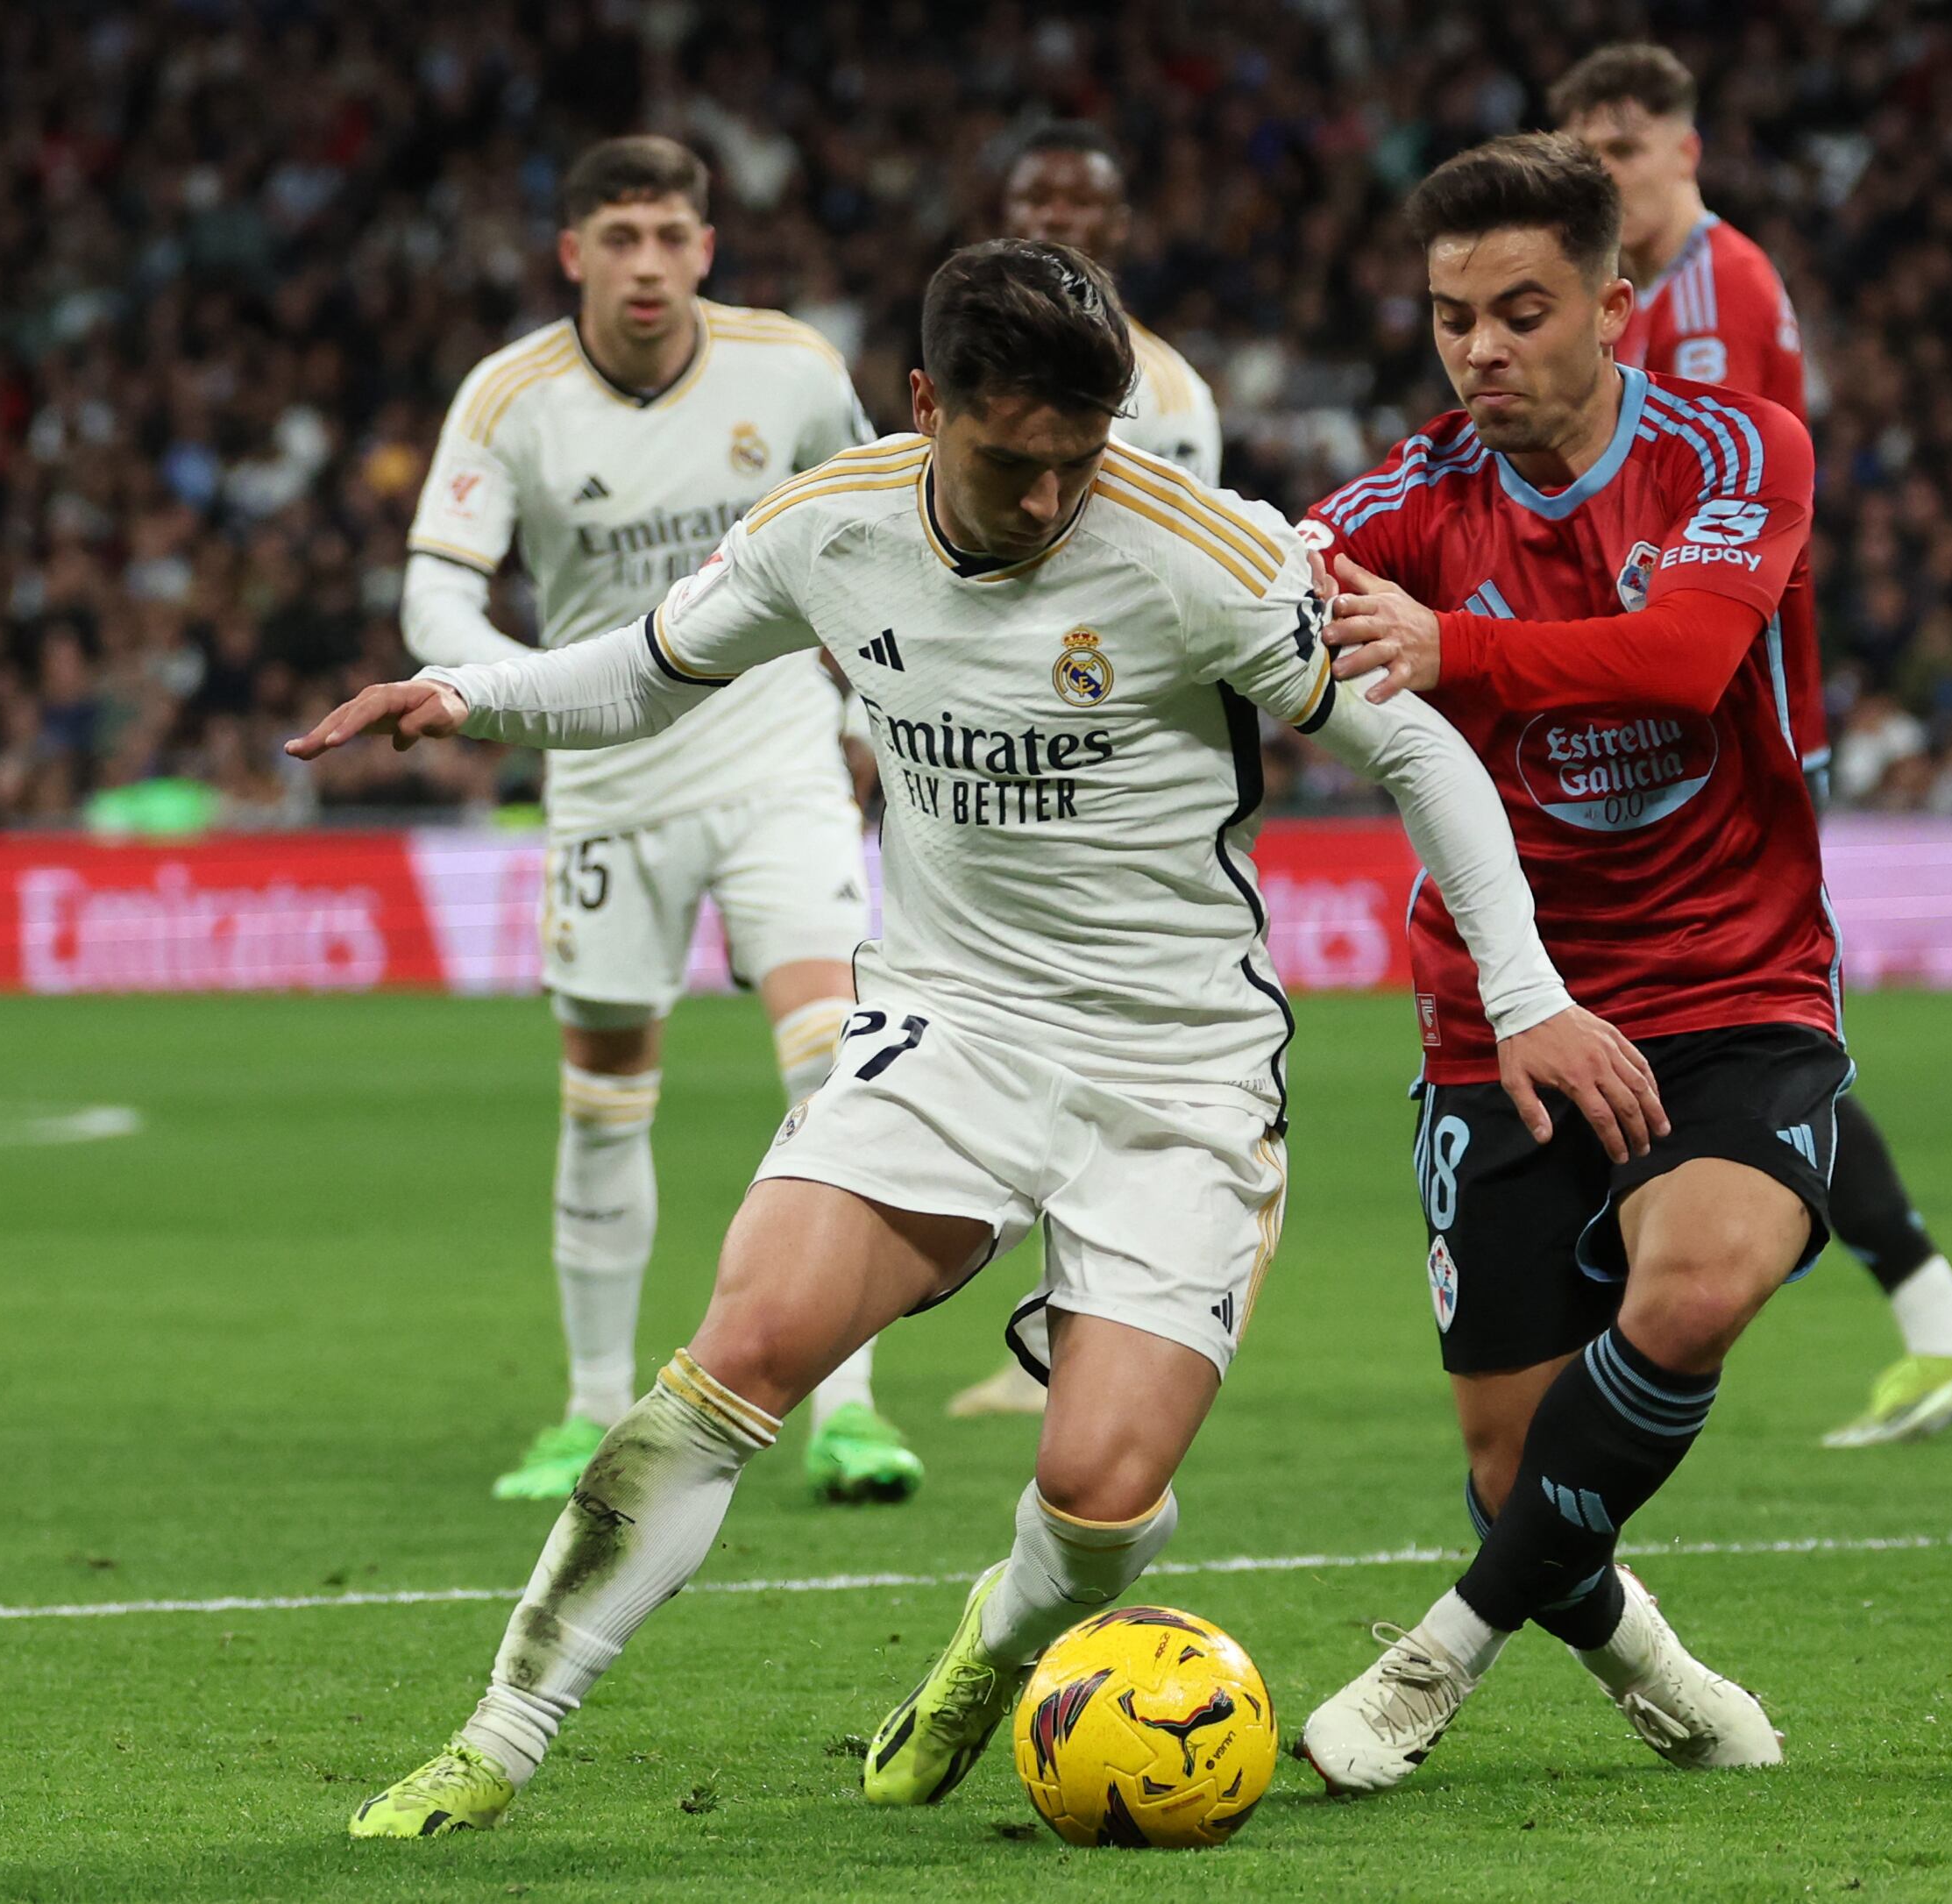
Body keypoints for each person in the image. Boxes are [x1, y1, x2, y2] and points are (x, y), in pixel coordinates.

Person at [302, 238, 1661, 1837]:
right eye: (1011, 462)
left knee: (1097, 1490)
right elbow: (648, 672)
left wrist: (1526, 996)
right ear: (926, 401)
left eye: (1076, 464)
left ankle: (996, 1639)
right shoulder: (828, 529)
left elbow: (1419, 751)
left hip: (1176, 1072)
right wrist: (464, 692)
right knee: (733, 1359)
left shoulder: (1197, 553)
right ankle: (500, 1734)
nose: (1042, 501)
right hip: (949, 1026)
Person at [1289, 133, 1835, 1793]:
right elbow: (1248, 630)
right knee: (1511, 1465)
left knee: (1695, 1288)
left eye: (1519, 311)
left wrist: (1454, 646)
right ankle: (1648, 1667)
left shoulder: (1738, 447)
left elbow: (1680, 663)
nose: (1480, 351)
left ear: (1612, 304)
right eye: (1450, 316)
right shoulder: (1396, 505)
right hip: (1494, 1018)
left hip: (1726, 986)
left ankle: (1432, 1656)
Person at [402, 135, 924, 1506]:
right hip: (607, 781)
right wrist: (482, 685)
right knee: (603, 1105)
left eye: (671, 236)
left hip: (775, 759)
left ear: (706, 248)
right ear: (572, 253)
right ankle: (585, 1408)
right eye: (619, 237)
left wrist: (873, 721)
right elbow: (440, 589)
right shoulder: (509, 398)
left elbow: (879, 543)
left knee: (838, 1069)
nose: (648, 264)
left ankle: (849, 1411)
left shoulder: (795, 371)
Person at [1554, 43, 1952, 1447]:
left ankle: (1926, 1318)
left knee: (1747, 1040)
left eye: (1626, 150)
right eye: (1584, 154)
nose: (1605, 176)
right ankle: (1930, 1320)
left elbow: (1691, 513)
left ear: (1685, 150)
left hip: (1717, 732)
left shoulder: (1714, 297)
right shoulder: (1647, 295)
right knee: (1694, 1032)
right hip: (1674, 726)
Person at [946, 117, 1225, 1419]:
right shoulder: (957, 381)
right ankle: (1068, 1319)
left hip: (1123, 770)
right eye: (1035, 194)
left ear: (1118, 229)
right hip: (987, 776)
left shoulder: (1166, 397)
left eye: (1085, 197)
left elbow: (1190, 605)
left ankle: (1096, 1323)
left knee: (1129, 1053)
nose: (1063, 213)